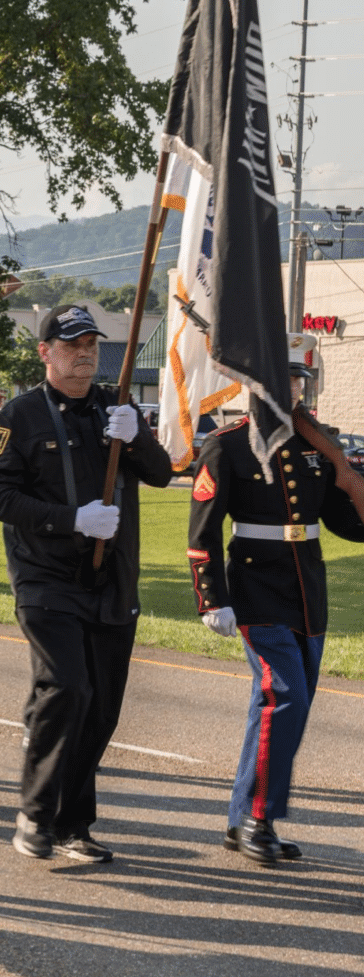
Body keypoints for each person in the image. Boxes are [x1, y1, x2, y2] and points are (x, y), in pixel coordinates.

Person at [0, 303, 172, 863]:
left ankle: (72, 824)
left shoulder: (118, 407)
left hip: (110, 579)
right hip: (46, 576)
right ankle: (35, 815)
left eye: (91, 344)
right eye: (71, 345)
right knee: (67, 687)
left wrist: (136, 438)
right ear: (45, 353)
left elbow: (161, 474)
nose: (85, 353)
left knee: (101, 707)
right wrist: (71, 519)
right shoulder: (16, 417)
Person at [187, 334, 364, 865]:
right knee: (281, 694)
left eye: (296, 379)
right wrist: (209, 598)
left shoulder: (319, 444)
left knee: (290, 703)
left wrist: (353, 481)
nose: (290, 387)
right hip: (255, 585)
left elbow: (340, 520)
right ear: (253, 383)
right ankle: (258, 819)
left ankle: (244, 818)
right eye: (281, 377)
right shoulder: (229, 443)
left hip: (306, 586)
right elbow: (202, 530)